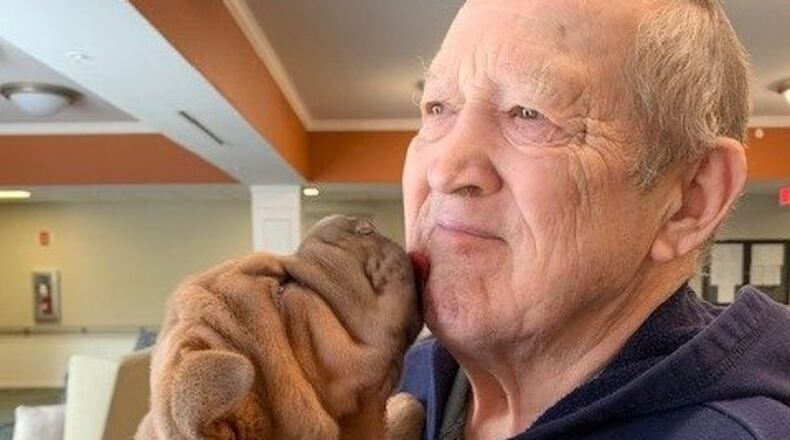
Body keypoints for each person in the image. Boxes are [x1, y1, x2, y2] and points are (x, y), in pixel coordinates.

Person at [399, 0, 790, 438]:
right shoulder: (385, 383)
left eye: (529, 113)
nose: (445, 170)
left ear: (689, 201)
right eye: (437, 106)